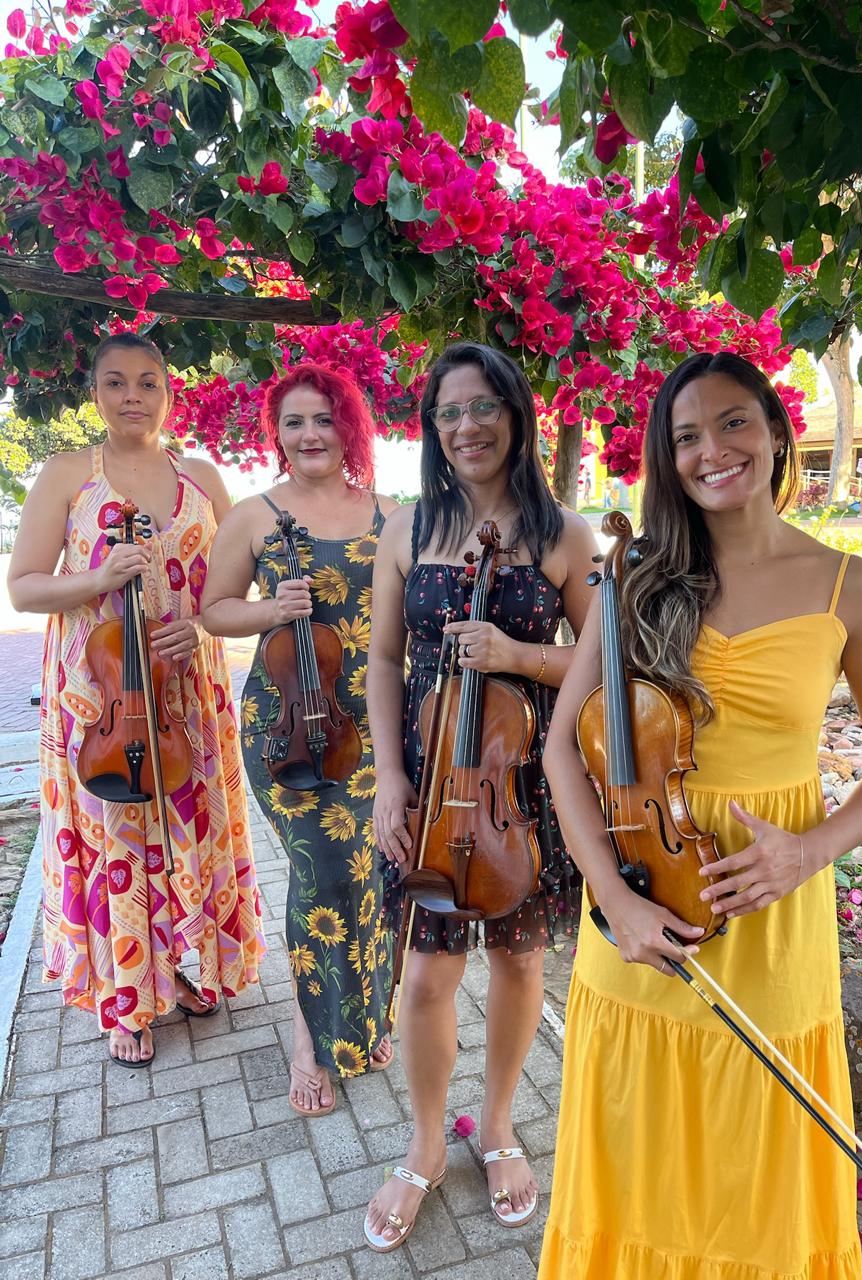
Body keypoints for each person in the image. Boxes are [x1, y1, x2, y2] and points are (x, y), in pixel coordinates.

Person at [539, 351, 862, 1279]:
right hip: (641, 905)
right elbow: (562, 747)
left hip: (774, 916)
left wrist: (811, 851)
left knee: (758, 1163)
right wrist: (613, 899)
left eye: (733, 422)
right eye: (685, 437)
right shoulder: (633, 579)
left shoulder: (850, 587)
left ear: (777, 430)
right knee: (638, 1157)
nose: (711, 450)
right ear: (665, 461)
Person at [363, 342, 598, 1252]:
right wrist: (388, 776)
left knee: (519, 967)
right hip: (430, 786)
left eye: (486, 406)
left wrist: (516, 656)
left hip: (523, 791)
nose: (469, 426)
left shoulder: (563, 535)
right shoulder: (407, 529)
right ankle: (427, 1141)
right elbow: (386, 659)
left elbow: (602, 659)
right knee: (425, 975)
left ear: (517, 416)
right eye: (451, 410)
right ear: (432, 425)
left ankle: (496, 1124)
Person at [7, 332, 264, 1066]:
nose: (132, 395)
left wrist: (198, 622)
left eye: (148, 382)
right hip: (101, 695)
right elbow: (23, 585)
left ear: (168, 395)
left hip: (188, 688)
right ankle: (124, 1000)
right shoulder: (66, 475)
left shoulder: (207, 479)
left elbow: (233, 585)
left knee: (192, 824)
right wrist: (93, 579)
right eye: (116, 382)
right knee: (114, 837)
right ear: (95, 394)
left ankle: (192, 967)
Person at [201, 363, 398, 1116]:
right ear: (275, 435)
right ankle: (309, 1040)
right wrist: (270, 611)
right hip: (287, 723)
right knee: (320, 878)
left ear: (348, 426)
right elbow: (214, 610)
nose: (309, 434)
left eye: (324, 419)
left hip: (373, 720)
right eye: (294, 422)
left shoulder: (388, 512)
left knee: (373, 867)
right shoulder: (254, 516)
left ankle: (369, 1016)